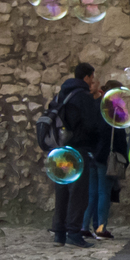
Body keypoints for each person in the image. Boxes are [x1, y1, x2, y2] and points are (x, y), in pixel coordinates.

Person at [50, 62, 106, 248]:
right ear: (87, 78)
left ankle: (59, 233)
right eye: (92, 77)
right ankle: (74, 232)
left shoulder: (62, 93)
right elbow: (90, 125)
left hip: (61, 149)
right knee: (79, 193)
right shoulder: (83, 97)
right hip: (79, 149)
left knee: (62, 190)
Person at [82, 79, 126, 240]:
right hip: (106, 155)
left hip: (92, 154)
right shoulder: (114, 110)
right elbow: (115, 136)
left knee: (92, 193)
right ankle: (101, 228)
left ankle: (83, 226)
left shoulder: (97, 104)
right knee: (104, 193)